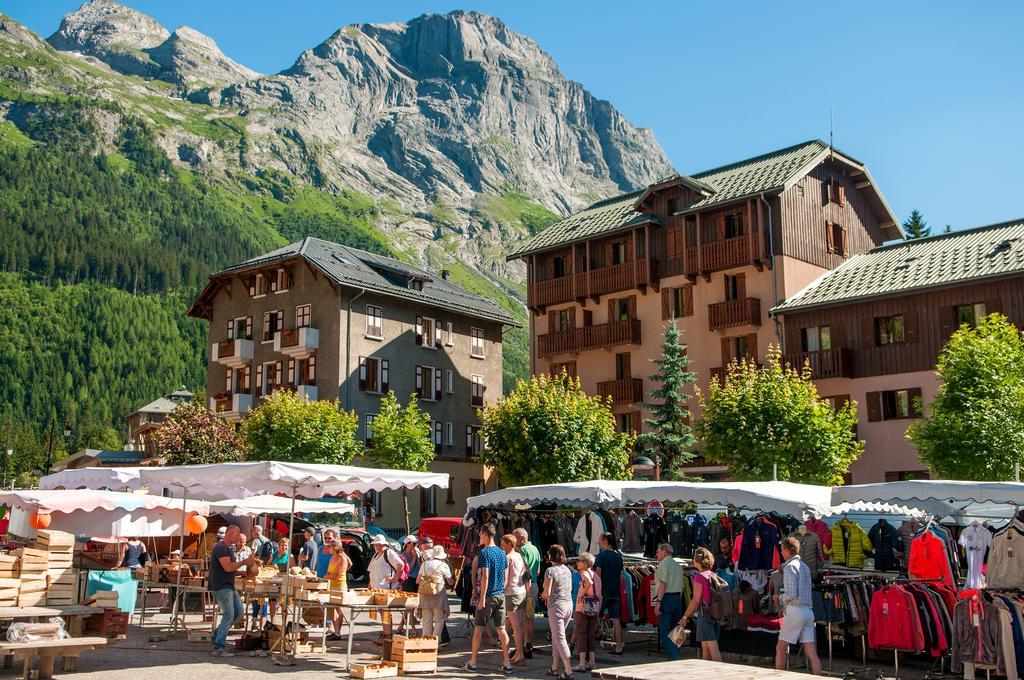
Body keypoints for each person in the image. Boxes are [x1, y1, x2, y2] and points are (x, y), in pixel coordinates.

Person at [462, 523, 512, 674]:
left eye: (480, 534)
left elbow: (485, 577)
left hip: (488, 595)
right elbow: (506, 576)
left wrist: (482, 598)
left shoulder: (484, 553)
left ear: (485, 534)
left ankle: (473, 662)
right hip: (500, 595)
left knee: (478, 629)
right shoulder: (502, 552)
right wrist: (500, 589)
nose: (479, 536)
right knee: (502, 630)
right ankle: (507, 663)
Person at [775, 537, 822, 675]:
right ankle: (818, 676)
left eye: (783, 549)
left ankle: (778, 677)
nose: (781, 551)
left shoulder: (789, 567)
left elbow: (791, 593)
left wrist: (779, 598)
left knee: (781, 648)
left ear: (789, 550)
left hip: (795, 610)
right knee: (811, 651)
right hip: (808, 611)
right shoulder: (805, 567)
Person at [210, 525, 255, 657]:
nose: (237, 537)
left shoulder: (226, 548)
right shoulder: (221, 547)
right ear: (230, 533)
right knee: (229, 614)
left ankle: (216, 635)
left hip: (228, 585)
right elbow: (228, 567)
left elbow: (230, 568)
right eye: (236, 534)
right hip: (222, 586)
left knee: (238, 611)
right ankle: (219, 647)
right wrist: (244, 562)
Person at [679, 547, 723, 661]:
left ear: (697, 560)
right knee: (706, 647)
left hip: (705, 614)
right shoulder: (712, 575)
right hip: (715, 613)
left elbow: (696, 600)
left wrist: (685, 616)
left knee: (712, 647)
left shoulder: (699, 577)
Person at [541, 544, 574, 679]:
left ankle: (568, 670)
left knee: (560, 638)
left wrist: (543, 595)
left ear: (551, 555)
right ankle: (554, 667)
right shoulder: (567, 569)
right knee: (557, 636)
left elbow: (547, 592)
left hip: (556, 607)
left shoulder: (550, 571)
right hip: (568, 605)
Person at [367, 535, 405, 639]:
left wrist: (395, 578)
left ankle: (388, 634)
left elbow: (400, 564)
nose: (375, 546)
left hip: (386, 587)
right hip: (377, 587)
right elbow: (372, 571)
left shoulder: (389, 553)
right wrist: (370, 584)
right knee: (382, 611)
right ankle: (386, 633)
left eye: (376, 544)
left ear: (381, 544)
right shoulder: (376, 555)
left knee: (385, 611)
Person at [594, 531, 625, 655]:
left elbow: (598, 575)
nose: (598, 542)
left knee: (595, 617)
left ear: (605, 541)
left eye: (600, 540)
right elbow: (622, 577)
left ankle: (589, 646)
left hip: (602, 593)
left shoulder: (601, 556)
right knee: (616, 620)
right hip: (615, 592)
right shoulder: (618, 556)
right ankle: (618, 646)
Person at [513, 527, 541, 659]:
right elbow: (538, 570)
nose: (514, 541)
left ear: (522, 539)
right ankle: (528, 644)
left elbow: (523, 571)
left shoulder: (522, 550)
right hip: (534, 584)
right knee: (530, 617)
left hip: (525, 587)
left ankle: (524, 646)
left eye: (515, 538)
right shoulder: (535, 548)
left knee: (523, 619)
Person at [501, 533, 529, 665]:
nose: (501, 546)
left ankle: (520, 655)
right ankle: (519, 652)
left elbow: (505, 579)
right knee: (519, 625)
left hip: (511, 593)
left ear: (509, 544)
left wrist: (500, 591)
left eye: (503, 544)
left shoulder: (507, 558)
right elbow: (525, 574)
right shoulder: (518, 556)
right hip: (521, 591)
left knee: (516, 626)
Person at [654, 542, 684, 661]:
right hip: (677, 599)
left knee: (665, 631)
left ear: (663, 551)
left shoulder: (664, 564)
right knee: (674, 631)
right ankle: (676, 654)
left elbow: (663, 583)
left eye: (657, 551)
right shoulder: (677, 565)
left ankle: (674, 658)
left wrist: (658, 601)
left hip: (667, 598)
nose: (656, 554)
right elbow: (682, 588)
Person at [573, 552, 602, 673]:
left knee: (581, 635)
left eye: (579, 561)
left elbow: (588, 582)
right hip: (594, 608)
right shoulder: (597, 575)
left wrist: (583, 593)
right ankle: (592, 662)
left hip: (583, 608)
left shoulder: (584, 573)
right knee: (591, 635)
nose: (577, 563)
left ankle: (581, 663)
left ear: (585, 564)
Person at [417, 545, 453, 637]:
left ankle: (426, 643)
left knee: (426, 620)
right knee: (439, 620)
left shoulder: (424, 564)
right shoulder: (443, 565)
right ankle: (435, 642)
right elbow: (450, 582)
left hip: (425, 594)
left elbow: (418, 581)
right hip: (438, 593)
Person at [325, 540, 351, 639]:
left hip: (340, 586)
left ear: (335, 547)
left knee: (338, 608)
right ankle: (332, 630)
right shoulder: (332, 558)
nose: (329, 549)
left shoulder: (342, 559)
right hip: (331, 585)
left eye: (330, 547)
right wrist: (328, 576)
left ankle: (338, 632)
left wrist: (327, 576)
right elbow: (329, 572)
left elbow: (336, 575)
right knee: (330, 608)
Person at [268, 536, 293, 625]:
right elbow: (267, 565)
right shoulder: (275, 554)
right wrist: (273, 566)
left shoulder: (290, 556)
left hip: (284, 582)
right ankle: (272, 622)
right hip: (274, 582)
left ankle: (283, 623)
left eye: (286, 545)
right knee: (272, 603)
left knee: (283, 604)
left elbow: (294, 569)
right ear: (279, 546)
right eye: (282, 545)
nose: (284, 547)